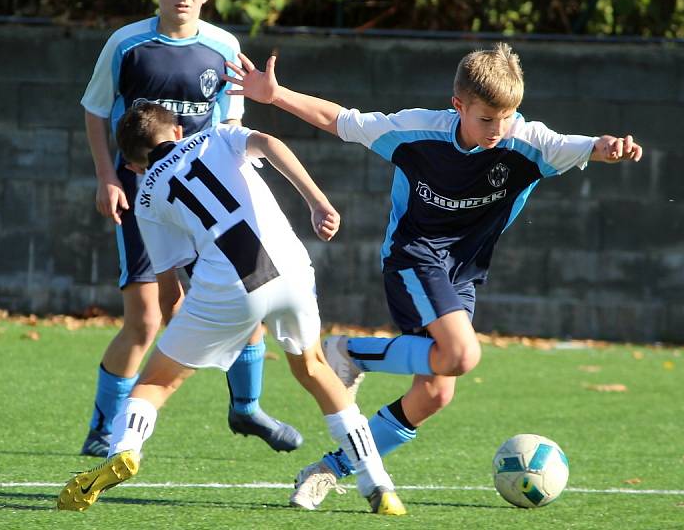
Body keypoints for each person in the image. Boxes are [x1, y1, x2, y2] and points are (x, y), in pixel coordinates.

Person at [222, 43, 643, 508]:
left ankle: (328, 468)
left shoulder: (529, 143)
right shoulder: (416, 131)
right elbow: (339, 120)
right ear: (458, 105)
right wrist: (275, 94)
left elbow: (587, 147)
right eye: (486, 119)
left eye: (507, 117)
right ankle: (352, 353)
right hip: (412, 257)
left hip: (462, 274)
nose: (498, 130)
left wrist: (609, 149)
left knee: (436, 392)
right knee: (461, 355)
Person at [57, 103, 406, 516]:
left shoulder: (147, 194)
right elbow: (270, 143)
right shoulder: (218, 134)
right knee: (314, 369)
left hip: (231, 285)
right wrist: (318, 202)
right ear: (180, 129)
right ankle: (378, 484)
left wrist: (182, 340)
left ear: (132, 166)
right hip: (293, 269)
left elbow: (169, 290)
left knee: (156, 381)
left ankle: (125, 450)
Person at [79, 0, 300, 458]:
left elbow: (233, 126)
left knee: (254, 294)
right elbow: (94, 111)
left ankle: (246, 409)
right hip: (143, 199)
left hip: (210, 205)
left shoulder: (224, 48)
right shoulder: (126, 45)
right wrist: (107, 177)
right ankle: (103, 428)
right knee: (146, 320)